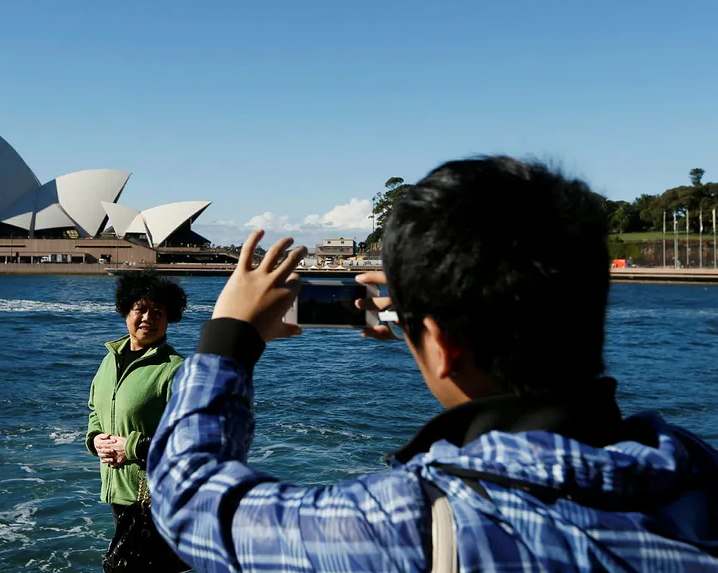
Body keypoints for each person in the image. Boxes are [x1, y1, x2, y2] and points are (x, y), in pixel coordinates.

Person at [147, 156, 718, 571]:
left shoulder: (412, 526)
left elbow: (190, 501)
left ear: (443, 348)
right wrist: (442, 322)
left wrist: (230, 336)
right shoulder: (694, 471)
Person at [85, 270, 188, 553]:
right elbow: (96, 407)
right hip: (119, 489)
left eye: (158, 312)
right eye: (140, 309)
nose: (148, 319)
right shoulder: (110, 359)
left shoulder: (175, 369)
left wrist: (131, 447)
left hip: (155, 496)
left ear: (170, 319)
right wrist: (95, 438)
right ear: (126, 312)